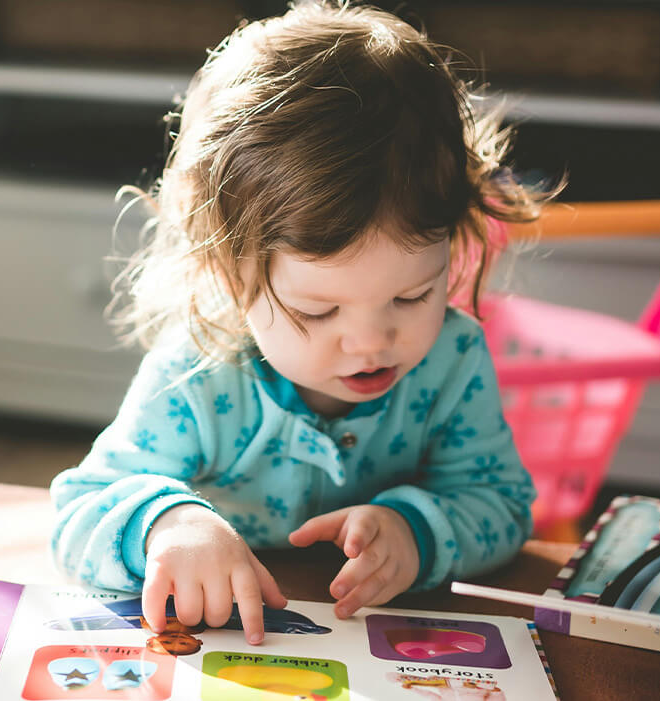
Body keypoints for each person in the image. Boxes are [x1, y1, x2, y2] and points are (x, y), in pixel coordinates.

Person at [50, 0, 547, 645]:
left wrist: (414, 531)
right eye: (319, 310)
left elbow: (501, 506)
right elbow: (80, 512)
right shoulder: (198, 373)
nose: (372, 341)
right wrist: (169, 524)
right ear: (227, 273)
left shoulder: (452, 360)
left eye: (413, 296)